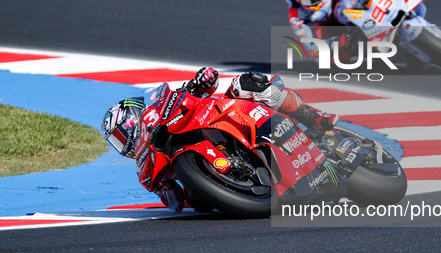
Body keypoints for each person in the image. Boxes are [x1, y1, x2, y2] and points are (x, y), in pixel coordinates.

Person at [101, 67, 339, 212]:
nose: (125, 143)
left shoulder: (163, 107)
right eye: (119, 142)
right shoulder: (145, 168)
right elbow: (173, 202)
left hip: (224, 115)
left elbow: (207, 83)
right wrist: (170, 191)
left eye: (122, 134)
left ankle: (313, 118)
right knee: (200, 203)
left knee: (246, 83)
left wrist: (199, 83)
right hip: (206, 170)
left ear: (132, 118)